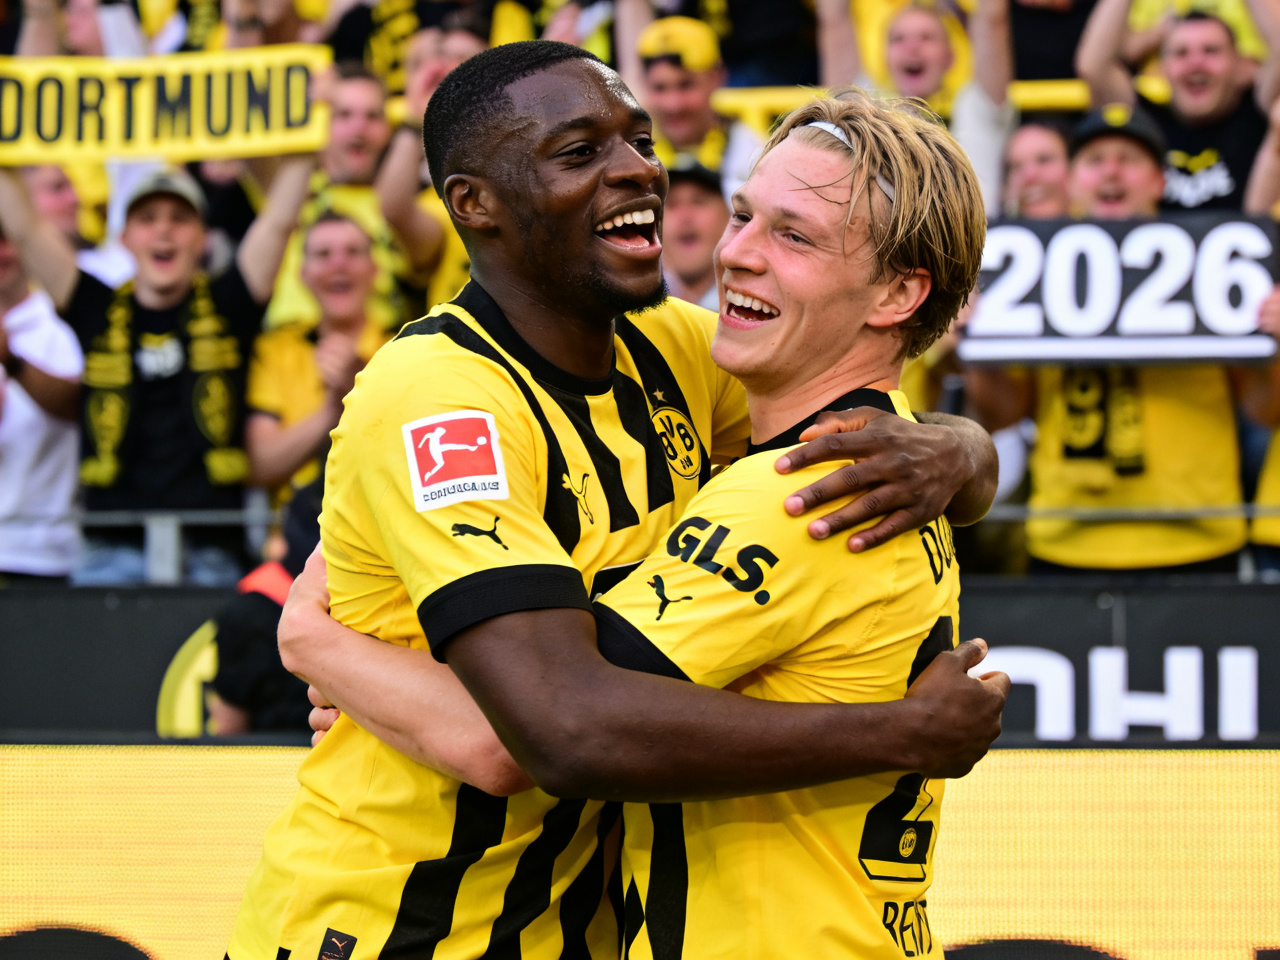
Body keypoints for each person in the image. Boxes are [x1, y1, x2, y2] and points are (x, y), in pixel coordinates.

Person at [225, 40, 1005, 960]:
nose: (636, 169)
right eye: (579, 151)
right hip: (404, 924)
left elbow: (832, 382)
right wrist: (895, 734)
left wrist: (959, 447)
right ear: (474, 202)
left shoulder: (675, 350)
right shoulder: (441, 399)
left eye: (637, 139)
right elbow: (536, 732)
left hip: (571, 930)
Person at [591, 88, 986, 958]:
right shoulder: (900, 450)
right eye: (743, 215)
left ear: (898, 293)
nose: (736, 255)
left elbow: (556, 720)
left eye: (794, 235)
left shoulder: (798, 491)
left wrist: (330, 646)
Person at [0, 161, 313, 585]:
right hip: (107, 553)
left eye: (180, 219)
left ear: (203, 237)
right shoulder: (94, 307)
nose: (164, 231)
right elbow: (26, 228)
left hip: (212, 555)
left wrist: (310, 129)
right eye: (148, 219)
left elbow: (279, 220)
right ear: (125, 238)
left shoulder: (229, 304)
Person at [967, 105, 1248, 573]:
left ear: (1160, 181)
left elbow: (1265, 409)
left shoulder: (1214, 268)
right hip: (1065, 539)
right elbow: (1002, 414)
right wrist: (981, 348)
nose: (1112, 171)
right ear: (1073, 181)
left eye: (1128, 159)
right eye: (1095, 159)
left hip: (1200, 536)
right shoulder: (1036, 270)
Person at [263, 62, 423, 336]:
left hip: (378, 362)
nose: (359, 128)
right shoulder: (291, 188)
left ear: (389, 128)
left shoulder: (409, 207)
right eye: (344, 114)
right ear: (322, 121)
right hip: (289, 365)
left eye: (372, 116)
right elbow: (237, 112)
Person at [1076, 0, 1280, 211]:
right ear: (1162, 68)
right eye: (1181, 53)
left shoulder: (1258, 111)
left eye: (1211, 51)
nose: (1196, 63)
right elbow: (1094, 66)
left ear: (1240, 67)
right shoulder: (1144, 120)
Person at [245, 212, 386, 505]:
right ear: (303, 275)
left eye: (353, 252)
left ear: (375, 269)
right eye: (323, 254)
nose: (339, 264)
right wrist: (333, 409)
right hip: (294, 537)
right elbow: (260, 465)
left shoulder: (404, 347)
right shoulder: (275, 349)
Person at [848, 0, 1017, 218]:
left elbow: (992, 20)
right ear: (884, 57)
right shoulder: (865, 109)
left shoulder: (976, 112)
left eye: (927, 37)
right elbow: (834, 21)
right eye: (898, 39)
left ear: (950, 56)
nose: (912, 47)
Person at [0, 226, 82, 586]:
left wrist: (11, 360)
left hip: (41, 555)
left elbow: (77, 404)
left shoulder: (62, 326)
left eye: (4, 239)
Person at [632, 15, 764, 202]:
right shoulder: (629, 156)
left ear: (717, 77)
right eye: (659, 88)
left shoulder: (753, 158)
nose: (673, 105)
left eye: (686, 85)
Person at [660, 157, 729, 311]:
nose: (685, 216)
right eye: (671, 204)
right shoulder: (629, 315)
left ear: (730, 216)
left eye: (699, 201)